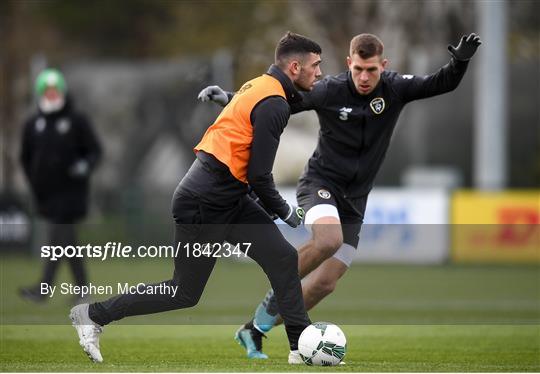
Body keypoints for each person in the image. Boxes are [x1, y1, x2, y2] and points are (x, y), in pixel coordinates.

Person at [198, 32, 482, 363]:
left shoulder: (395, 88)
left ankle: (255, 328)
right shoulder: (329, 90)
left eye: (371, 70)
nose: (364, 77)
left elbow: (441, 83)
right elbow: (278, 102)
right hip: (321, 183)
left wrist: (459, 61)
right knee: (328, 240)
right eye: (359, 68)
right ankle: (279, 299)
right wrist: (230, 97)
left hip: (356, 200)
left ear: (383, 66)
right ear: (349, 63)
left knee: (325, 284)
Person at [69, 31, 322, 364]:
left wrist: (227, 98)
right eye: (315, 66)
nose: (319, 73)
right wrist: (285, 211)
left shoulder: (263, 85)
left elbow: (250, 114)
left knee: (284, 260)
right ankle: (93, 315)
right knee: (183, 292)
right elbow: (260, 176)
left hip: (226, 196)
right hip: (204, 201)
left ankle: (300, 348)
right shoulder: (273, 101)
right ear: (294, 67)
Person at [19, 68, 102, 304]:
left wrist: (85, 165)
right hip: (47, 194)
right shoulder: (33, 124)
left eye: (56, 90)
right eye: (48, 90)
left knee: (59, 236)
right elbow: (25, 157)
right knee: (66, 242)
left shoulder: (77, 121)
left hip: (72, 193)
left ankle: (43, 289)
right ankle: (82, 289)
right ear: (41, 93)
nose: (52, 94)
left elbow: (95, 151)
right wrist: (34, 181)